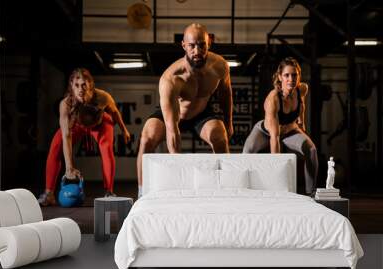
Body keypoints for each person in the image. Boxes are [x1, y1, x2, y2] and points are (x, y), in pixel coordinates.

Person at [136, 23, 233, 197]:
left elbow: (226, 94)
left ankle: (224, 190)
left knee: (220, 136)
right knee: (147, 138)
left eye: (201, 45)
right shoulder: (171, 78)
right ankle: (142, 193)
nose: (197, 51)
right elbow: (172, 130)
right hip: (175, 115)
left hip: (202, 112)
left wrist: (229, 122)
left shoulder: (220, 66)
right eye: (192, 45)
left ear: (208, 42)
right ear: (183, 45)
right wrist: (178, 175)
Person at [38, 68, 131, 206]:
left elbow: (115, 112)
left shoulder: (102, 97)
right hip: (77, 124)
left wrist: (124, 130)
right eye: (76, 85)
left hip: (99, 124)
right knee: (56, 145)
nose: (80, 89)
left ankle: (109, 192)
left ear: (90, 86)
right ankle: (49, 193)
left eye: (84, 85)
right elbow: (66, 135)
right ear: (71, 86)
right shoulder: (66, 104)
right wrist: (69, 168)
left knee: (107, 149)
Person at [242, 57, 318, 194]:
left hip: (290, 129)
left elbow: (302, 105)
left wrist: (302, 123)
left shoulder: (302, 89)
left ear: (299, 76)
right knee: (247, 151)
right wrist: (276, 174)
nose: (291, 79)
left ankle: (311, 193)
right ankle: (243, 191)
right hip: (266, 133)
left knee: (311, 150)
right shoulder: (273, 99)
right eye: (286, 75)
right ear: (280, 77)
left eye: (294, 75)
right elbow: (274, 137)